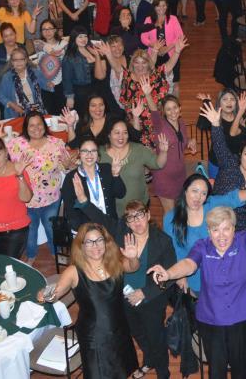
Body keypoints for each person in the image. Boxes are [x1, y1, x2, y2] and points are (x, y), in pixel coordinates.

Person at [149, 202, 246, 378]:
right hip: (212, 319)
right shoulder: (202, 247)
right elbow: (189, 264)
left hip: (242, 317)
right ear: (209, 231)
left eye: (226, 229)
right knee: (217, 369)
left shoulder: (242, 240)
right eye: (215, 230)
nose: (221, 235)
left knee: (241, 366)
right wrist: (168, 274)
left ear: (233, 229)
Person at [39, 223, 140, 378]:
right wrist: (47, 295)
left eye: (99, 240)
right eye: (89, 242)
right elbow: (57, 291)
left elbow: (133, 267)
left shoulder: (114, 262)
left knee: (121, 369)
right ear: (81, 246)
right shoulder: (74, 271)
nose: (95, 246)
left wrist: (133, 258)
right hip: (95, 336)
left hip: (119, 327)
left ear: (106, 242)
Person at [163, 173, 246, 297]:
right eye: (194, 191)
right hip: (195, 276)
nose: (198, 197)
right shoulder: (171, 218)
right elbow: (173, 251)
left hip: (222, 271)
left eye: (203, 193)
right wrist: (180, 277)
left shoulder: (210, 205)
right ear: (185, 190)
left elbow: (232, 198)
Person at [7, 111, 73, 264]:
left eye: (39, 124)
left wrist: (67, 165)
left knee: (51, 228)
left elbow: (65, 168)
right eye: (32, 125)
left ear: (45, 125)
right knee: (30, 230)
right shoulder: (16, 145)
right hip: (27, 199)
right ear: (26, 127)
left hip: (51, 197)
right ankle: (31, 255)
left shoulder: (56, 144)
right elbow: (4, 164)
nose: (36, 128)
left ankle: (55, 252)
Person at [120, 202, 176, 379]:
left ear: (148, 216)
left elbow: (169, 276)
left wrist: (144, 292)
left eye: (140, 215)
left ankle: (163, 373)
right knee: (136, 332)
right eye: (131, 218)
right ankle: (149, 360)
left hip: (152, 299)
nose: (136, 221)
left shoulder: (163, 241)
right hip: (127, 297)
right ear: (127, 223)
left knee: (155, 337)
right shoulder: (123, 239)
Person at [203, 101, 246, 231]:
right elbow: (220, 147)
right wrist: (216, 124)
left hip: (244, 231)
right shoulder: (230, 165)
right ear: (240, 156)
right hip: (218, 225)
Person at [61, 136, 126, 238]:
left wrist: (116, 175)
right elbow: (70, 210)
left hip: (109, 225)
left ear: (97, 153)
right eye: (85, 151)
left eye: (93, 151)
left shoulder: (107, 169)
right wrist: (82, 231)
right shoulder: (71, 178)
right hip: (87, 230)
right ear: (79, 153)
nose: (89, 155)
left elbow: (121, 194)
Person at [102, 118, 168, 212]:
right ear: (109, 134)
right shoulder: (100, 154)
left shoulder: (138, 149)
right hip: (112, 211)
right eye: (117, 132)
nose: (121, 136)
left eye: (125, 132)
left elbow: (158, 164)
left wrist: (163, 152)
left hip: (139, 208)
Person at [149, 95, 199, 213]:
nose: (173, 112)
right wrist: (147, 94)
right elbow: (154, 111)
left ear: (180, 108)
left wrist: (190, 142)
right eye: (168, 109)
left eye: (175, 107)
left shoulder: (181, 123)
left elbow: (182, 143)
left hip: (180, 175)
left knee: (179, 210)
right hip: (164, 177)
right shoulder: (160, 125)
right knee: (170, 215)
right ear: (164, 112)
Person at [0, 47, 46, 118]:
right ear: (12, 62)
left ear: (26, 60)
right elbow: (1, 95)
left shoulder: (36, 73)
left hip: (37, 112)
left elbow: (47, 88)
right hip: (15, 113)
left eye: (21, 59)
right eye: (15, 60)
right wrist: (12, 105)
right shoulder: (7, 77)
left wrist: (49, 84)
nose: (19, 62)